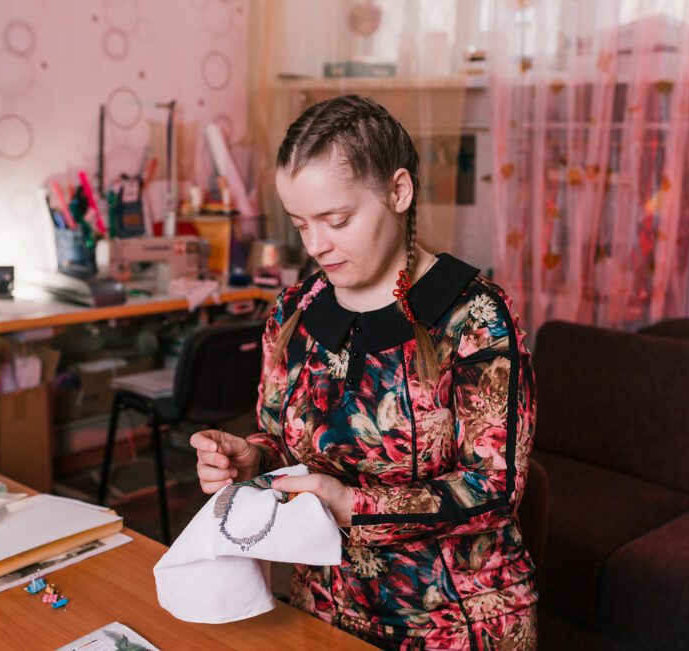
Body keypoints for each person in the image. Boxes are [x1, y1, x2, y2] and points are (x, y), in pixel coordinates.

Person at [191, 94, 537, 650]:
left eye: (337, 220)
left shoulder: (473, 316)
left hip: (452, 621)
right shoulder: (295, 310)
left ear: (399, 191)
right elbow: (284, 443)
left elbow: (493, 487)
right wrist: (252, 457)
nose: (315, 245)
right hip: (320, 608)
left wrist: (353, 505)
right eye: (301, 223)